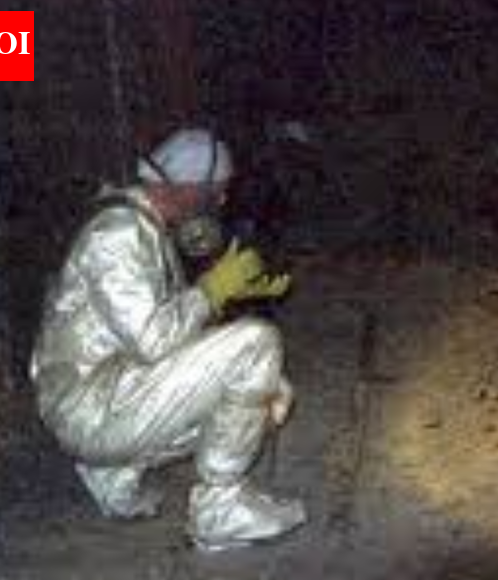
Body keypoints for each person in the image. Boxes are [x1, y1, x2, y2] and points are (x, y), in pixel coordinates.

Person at [29, 128, 305, 551]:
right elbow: (155, 341)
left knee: (270, 390)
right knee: (257, 346)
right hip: (89, 406)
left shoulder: (142, 226)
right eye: (216, 191)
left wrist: (224, 297)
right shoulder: (117, 235)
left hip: (104, 391)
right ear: (188, 188)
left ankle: (114, 470)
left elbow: (160, 330)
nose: (221, 202)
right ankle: (219, 510)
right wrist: (210, 291)